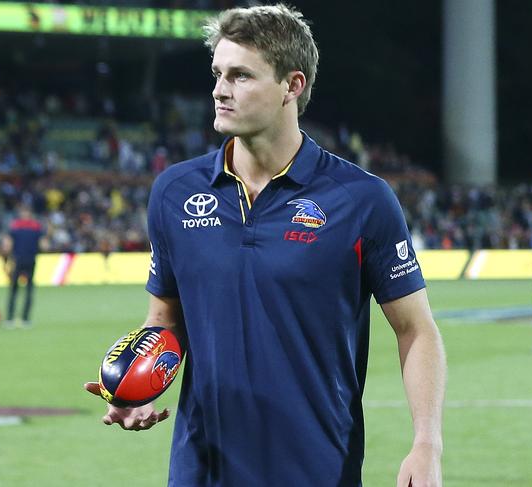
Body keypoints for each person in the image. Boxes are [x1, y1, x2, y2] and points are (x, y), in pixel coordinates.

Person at [85, 5, 446, 486]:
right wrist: (142, 385)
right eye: (217, 73)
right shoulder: (173, 193)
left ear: (291, 86)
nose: (219, 89)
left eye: (240, 76)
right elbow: (164, 320)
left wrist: (426, 444)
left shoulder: (360, 199)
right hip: (200, 471)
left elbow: (416, 331)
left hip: (318, 469)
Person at [1, 204, 48, 327]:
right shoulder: (36, 227)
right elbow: (44, 245)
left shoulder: (15, 226)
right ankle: (25, 319)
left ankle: (11, 319)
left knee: (15, 290)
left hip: (18, 260)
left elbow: (7, 244)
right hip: (29, 260)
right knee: (27, 290)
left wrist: (6, 258)